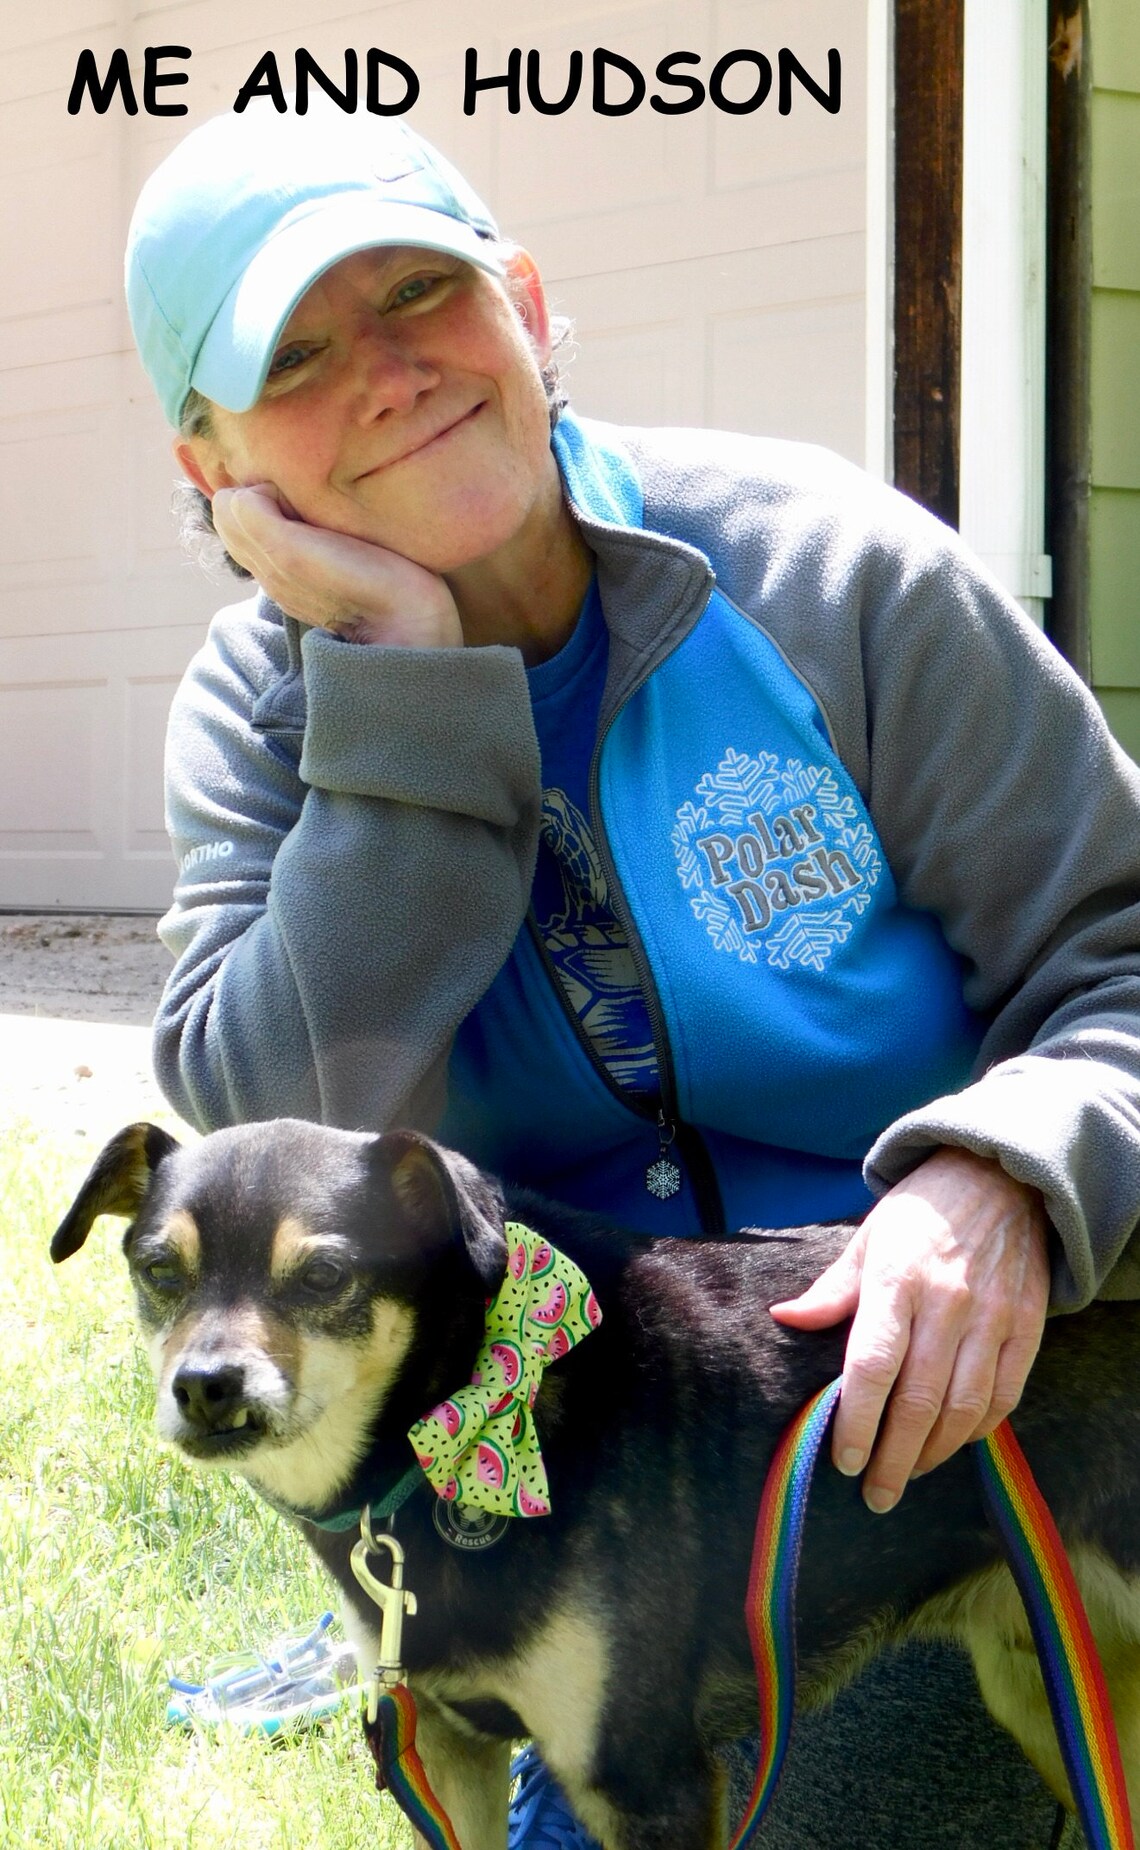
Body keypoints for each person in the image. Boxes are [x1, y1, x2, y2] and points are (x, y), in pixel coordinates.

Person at [126, 98, 1140, 1848]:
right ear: (212, 468)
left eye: (423, 294)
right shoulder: (256, 717)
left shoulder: (829, 569)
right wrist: (402, 677)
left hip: (966, 1419)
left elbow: (1120, 953)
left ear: (523, 305)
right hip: (574, 1477)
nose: (388, 369)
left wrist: (1008, 1178)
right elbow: (283, 1127)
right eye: (297, 355)